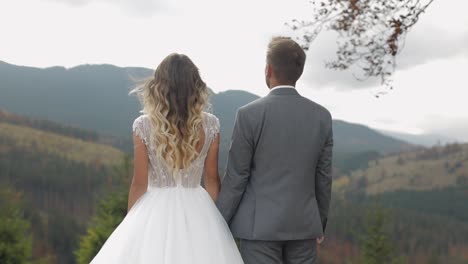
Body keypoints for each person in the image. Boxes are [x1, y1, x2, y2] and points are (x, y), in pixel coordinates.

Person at [90, 53, 244, 264]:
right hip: (199, 210)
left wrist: (131, 223)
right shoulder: (210, 125)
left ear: (158, 86)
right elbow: (211, 179)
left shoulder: (143, 125)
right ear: (195, 86)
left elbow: (139, 183)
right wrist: (220, 223)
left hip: (154, 210)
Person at [216, 36, 334, 264]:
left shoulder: (248, 115)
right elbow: (323, 177)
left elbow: (237, 177)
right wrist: (319, 222)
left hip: (258, 229)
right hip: (304, 227)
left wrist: (219, 222)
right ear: (299, 72)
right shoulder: (322, 117)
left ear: (268, 69)